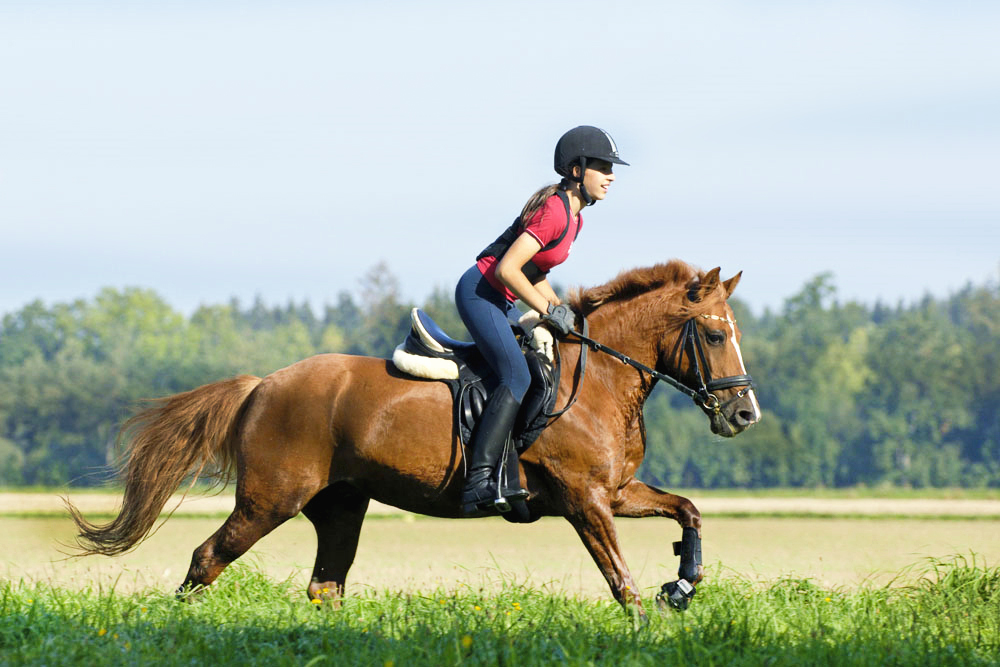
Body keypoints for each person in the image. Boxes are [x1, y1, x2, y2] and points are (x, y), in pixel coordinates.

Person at [455, 125, 628, 514]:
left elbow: (536, 272)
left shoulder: (576, 218)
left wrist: (564, 310)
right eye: (603, 167)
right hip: (481, 293)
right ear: (577, 170)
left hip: (500, 297)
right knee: (517, 375)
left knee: (536, 369)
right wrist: (549, 311)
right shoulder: (554, 210)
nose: (612, 176)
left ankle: (509, 465)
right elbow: (507, 270)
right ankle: (479, 481)